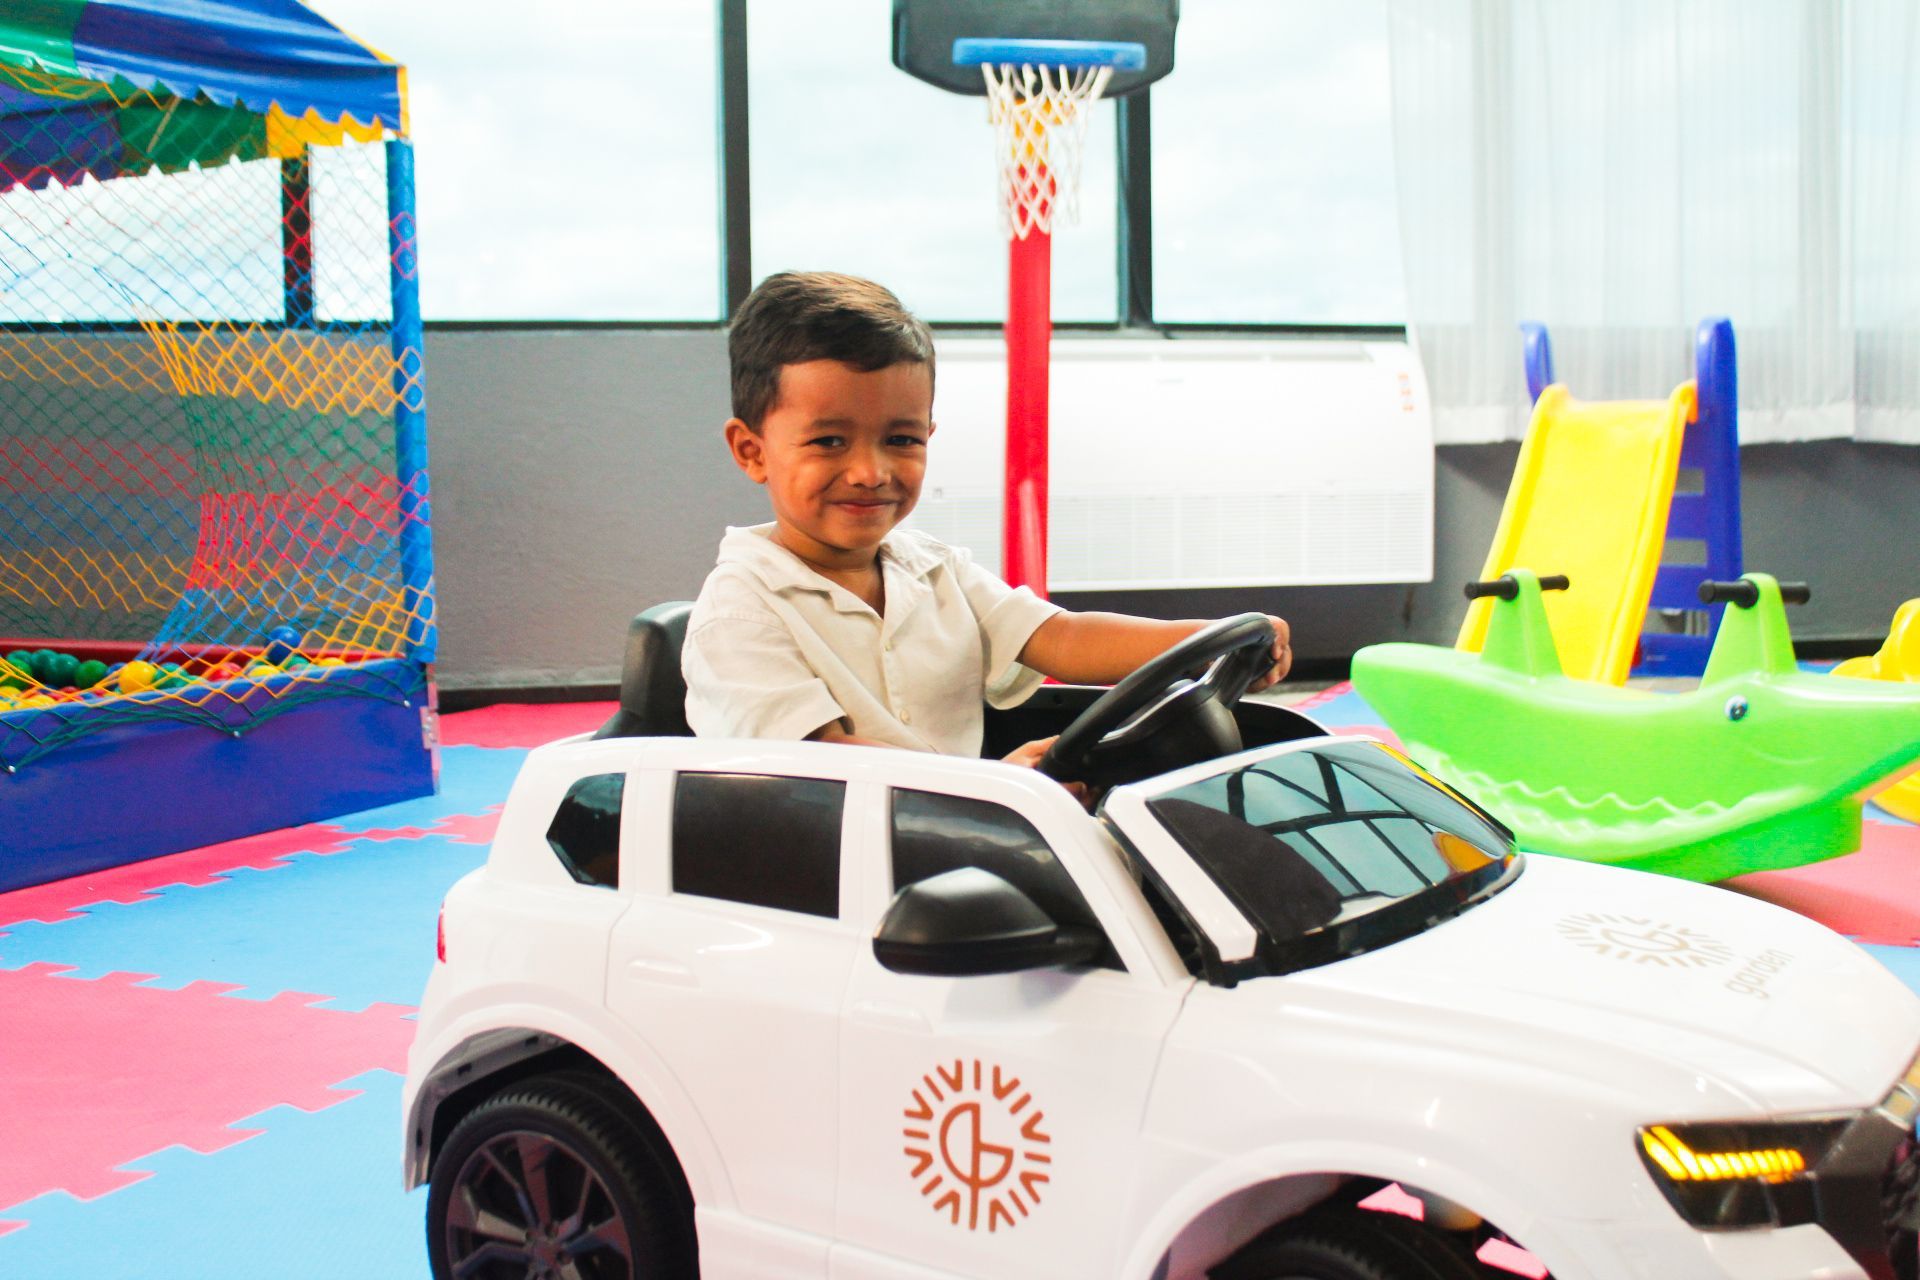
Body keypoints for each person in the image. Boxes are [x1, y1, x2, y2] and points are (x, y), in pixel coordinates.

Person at [682, 270, 1291, 774]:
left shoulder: (934, 570)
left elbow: (1064, 637)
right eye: (830, 442)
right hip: (831, 863)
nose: (870, 472)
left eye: (900, 439)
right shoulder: (740, 611)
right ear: (752, 451)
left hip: (958, 838)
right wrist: (994, 784)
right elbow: (822, 766)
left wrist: (1209, 637)